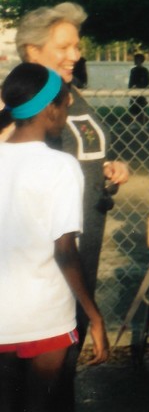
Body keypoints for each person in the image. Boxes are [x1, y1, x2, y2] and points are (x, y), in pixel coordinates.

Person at [13, 2, 131, 408]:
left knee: (67, 352)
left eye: (77, 46)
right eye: (64, 46)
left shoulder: (69, 95)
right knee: (43, 366)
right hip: (48, 255)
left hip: (85, 242)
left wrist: (109, 171)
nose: (75, 55)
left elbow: (83, 155)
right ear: (32, 51)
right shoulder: (19, 104)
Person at [0, 64, 109, 411]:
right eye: (65, 105)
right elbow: (65, 251)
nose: (66, 114)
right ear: (51, 109)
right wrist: (93, 315)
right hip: (45, 317)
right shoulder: (61, 166)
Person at [128, 53, 149, 121]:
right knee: (133, 107)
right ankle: (134, 120)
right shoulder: (133, 70)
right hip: (134, 92)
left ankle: (142, 120)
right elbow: (131, 81)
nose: (134, 61)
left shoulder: (144, 71)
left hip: (142, 92)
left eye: (136, 59)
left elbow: (147, 82)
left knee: (141, 107)